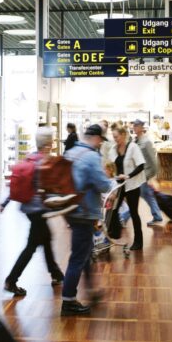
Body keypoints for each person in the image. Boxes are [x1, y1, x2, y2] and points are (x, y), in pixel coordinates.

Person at [3, 127, 66, 297]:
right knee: (32, 246)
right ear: (47, 144)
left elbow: (18, 184)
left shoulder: (30, 158)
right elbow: (51, 189)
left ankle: (56, 274)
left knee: (46, 239)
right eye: (51, 142)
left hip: (29, 208)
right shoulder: (45, 163)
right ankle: (11, 280)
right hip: (38, 210)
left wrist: (5, 202)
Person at [61, 124, 114, 316]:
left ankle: (92, 290)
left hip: (70, 208)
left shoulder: (71, 152)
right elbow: (102, 184)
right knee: (78, 256)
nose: (100, 143)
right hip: (84, 211)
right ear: (96, 138)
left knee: (85, 252)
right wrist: (111, 182)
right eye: (100, 139)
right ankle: (68, 301)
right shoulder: (92, 157)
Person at [108, 122, 147, 251]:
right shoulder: (113, 149)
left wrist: (128, 176)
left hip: (132, 185)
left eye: (117, 137)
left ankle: (138, 242)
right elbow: (112, 167)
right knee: (113, 209)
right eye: (113, 137)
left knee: (134, 213)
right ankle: (112, 235)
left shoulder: (133, 147)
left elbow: (141, 165)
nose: (115, 139)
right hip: (119, 186)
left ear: (124, 135)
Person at [130, 119, 163, 225]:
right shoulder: (135, 141)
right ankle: (157, 216)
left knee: (135, 196)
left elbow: (153, 161)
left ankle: (123, 217)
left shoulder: (146, 141)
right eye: (133, 126)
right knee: (146, 195)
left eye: (136, 126)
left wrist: (151, 175)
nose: (134, 128)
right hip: (138, 174)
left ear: (141, 127)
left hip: (144, 174)